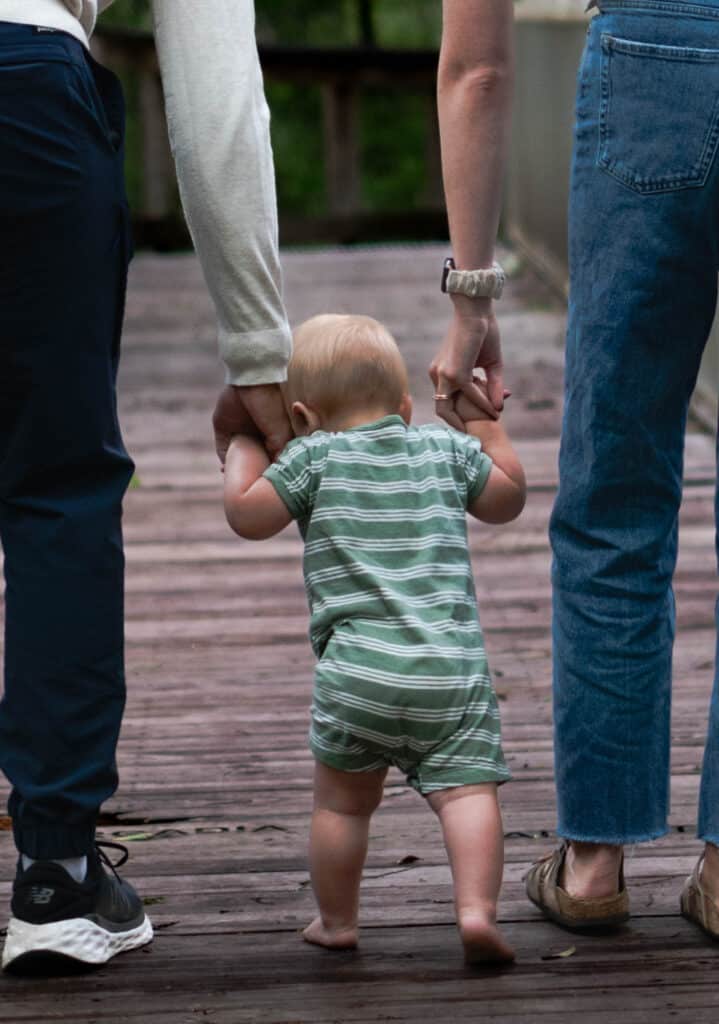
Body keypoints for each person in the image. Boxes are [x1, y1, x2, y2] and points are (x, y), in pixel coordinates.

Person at [0, 0, 292, 971]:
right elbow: (216, 103)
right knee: (56, 488)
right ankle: (55, 873)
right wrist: (257, 348)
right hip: (27, 98)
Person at [433, 0, 719, 939]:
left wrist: (472, 296)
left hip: (651, 59)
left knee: (615, 493)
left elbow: (476, 66)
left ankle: (594, 862)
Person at [223, 313, 526, 963]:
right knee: (467, 794)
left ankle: (337, 922)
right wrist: (482, 423)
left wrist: (241, 450)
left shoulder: (312, 457)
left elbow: (247, 517)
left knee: (341, 809)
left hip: (355, 674)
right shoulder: (442, 452)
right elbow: (506, 500)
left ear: (301, 416)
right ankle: (474, 912)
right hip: (449, 671)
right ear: (406, 406)